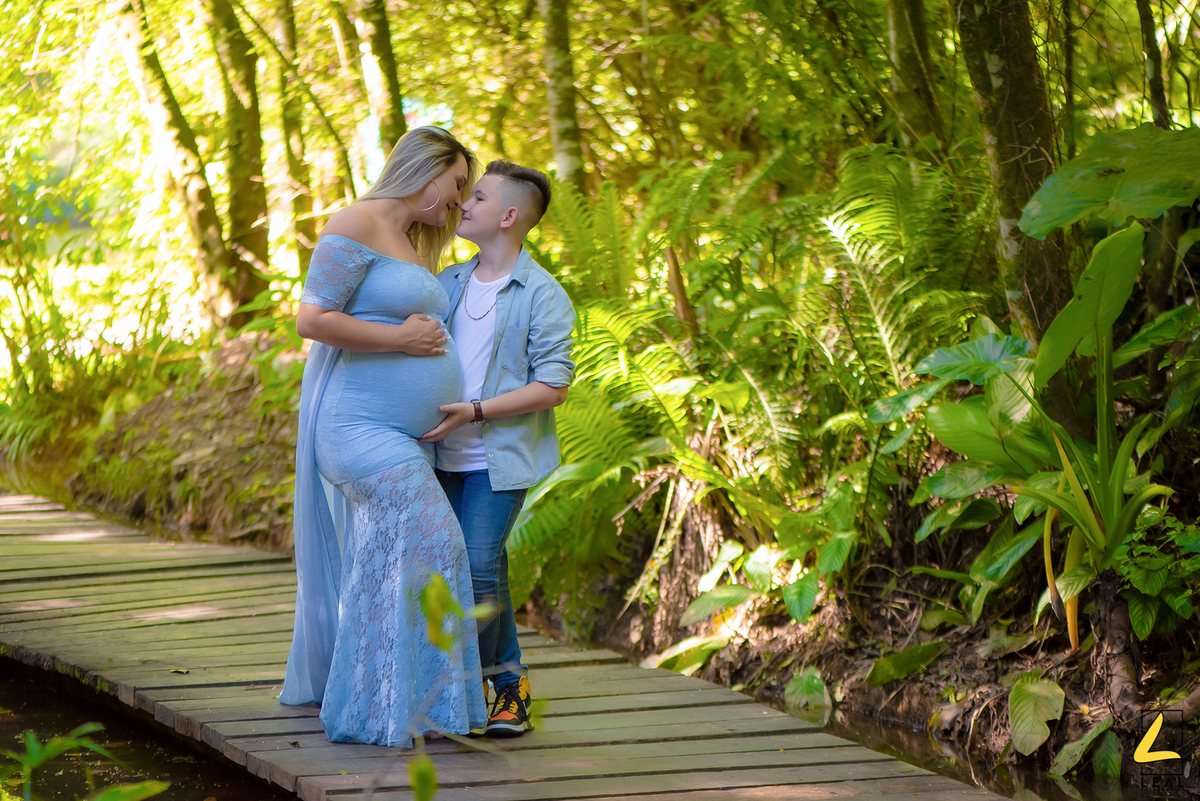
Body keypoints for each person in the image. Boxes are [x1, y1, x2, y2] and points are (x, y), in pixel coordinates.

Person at [280, 126, 488, 748]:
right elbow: (311, 317)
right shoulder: (356, 221)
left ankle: (400, 707)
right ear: (423, 171)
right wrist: (401, 340)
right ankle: (387, 708)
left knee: (396, 559)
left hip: (400, 434)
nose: (457, 201)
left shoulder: (405, 239)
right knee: (437, 541)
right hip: (355, 428)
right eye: (455, 185)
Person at [419, 160, 575, 738]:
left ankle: (508, 687)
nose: (465, 203)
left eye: (477, 197)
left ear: (509, 217)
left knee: (480, 564)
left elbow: (554, 386)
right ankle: (458, 692)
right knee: (449, 570)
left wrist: (477, 411)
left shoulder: (543, 294)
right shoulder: (447, 283)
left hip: (495, 459)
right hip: (435, 455)